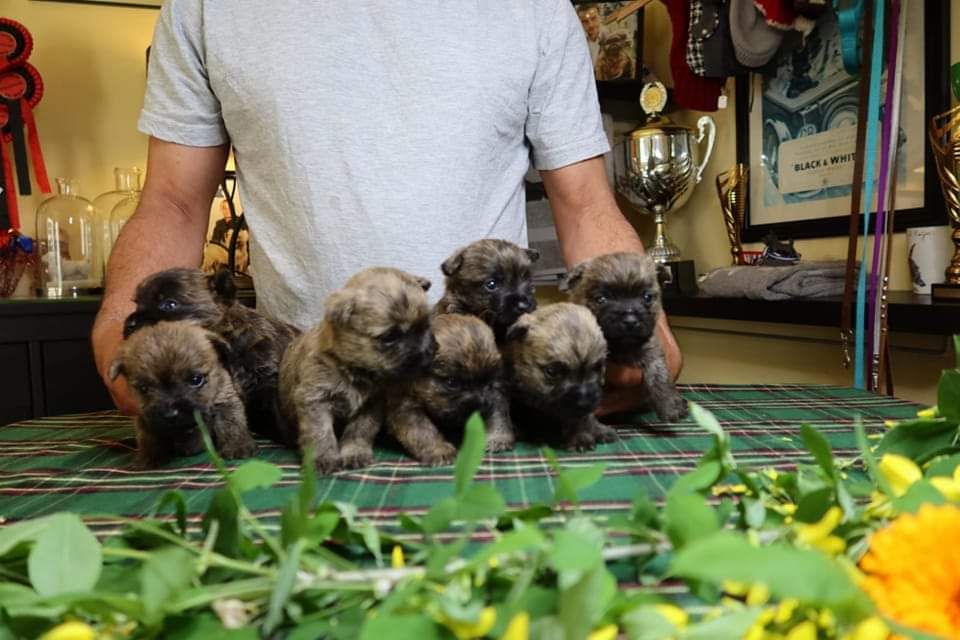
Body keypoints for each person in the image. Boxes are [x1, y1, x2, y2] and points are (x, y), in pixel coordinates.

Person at [91, 0, 682, 418]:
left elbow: (584, 203)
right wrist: (126, 326)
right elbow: (171, 202)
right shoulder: (202, 7)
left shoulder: (535, 8)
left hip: (478, 387)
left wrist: (648, 337)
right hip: (297, 391)